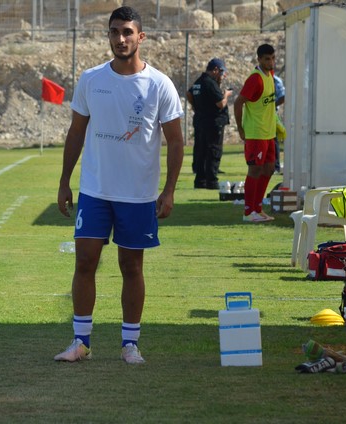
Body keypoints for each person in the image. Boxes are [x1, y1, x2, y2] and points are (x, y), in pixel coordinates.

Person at [55, 6, 184, 364]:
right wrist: (65, 182)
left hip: (138, 194)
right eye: (115, 32)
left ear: (141, 37)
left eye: (128, 32)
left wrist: (169, 189)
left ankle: (130, 344)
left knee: (131, 266)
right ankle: (81, 342)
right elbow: (76, 132)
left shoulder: (159, 84)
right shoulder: (92, 79)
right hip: (95, 190)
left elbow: (175, 140)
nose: (121, 39)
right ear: (108, 36)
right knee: (85, 262)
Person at [234, 44, 277, 223]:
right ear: (259, 59)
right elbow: (238, 103)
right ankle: (248, 211)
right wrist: (240, 128)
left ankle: (258, 208)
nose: (271, 62)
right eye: (267, 59)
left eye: (273, 58)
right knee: (255, 169)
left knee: (269, 168)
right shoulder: (255, 79)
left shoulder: (271, 76)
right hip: (255, 134)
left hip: (269, 133)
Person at [186, 58, 233, 189]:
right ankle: (212, 181)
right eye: (222, 71)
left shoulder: (199, 81)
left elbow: (189, 93)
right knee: (214, 151)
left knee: (201, 151)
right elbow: (220, 103)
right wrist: (227, 95)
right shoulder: (210, 83)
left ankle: (200, 181)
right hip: (213, 122)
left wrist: (196, 107)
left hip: (201, 121)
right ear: (215, 70)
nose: (223, 75)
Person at [273, 74, 286, 174]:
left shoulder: (275, 80)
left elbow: (282, 97)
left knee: (273, 140)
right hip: (260, 115)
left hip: (271, 114)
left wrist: (272, 105)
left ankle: (275, 166)